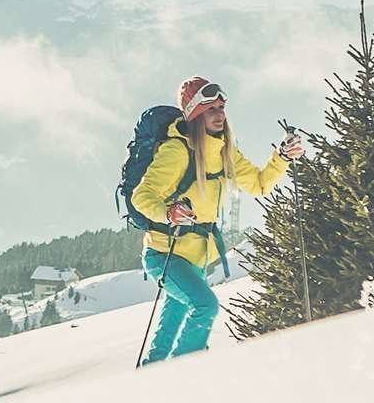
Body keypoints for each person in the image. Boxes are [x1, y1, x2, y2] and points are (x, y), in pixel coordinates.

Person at [129, 77, 302, 364]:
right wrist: (168, 213)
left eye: (222, 108)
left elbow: (259, 184)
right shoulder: (176, 151)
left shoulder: (224, 151)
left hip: (196, 259)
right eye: (211, 109)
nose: (220, 114)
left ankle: (153, 377)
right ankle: (186, 371)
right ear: (196, 114)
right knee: (205, 305)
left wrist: (281, 157)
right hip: (164, 254)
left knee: (173, 322)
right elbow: (141, 196)